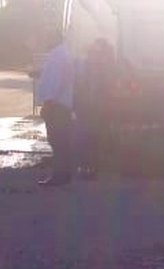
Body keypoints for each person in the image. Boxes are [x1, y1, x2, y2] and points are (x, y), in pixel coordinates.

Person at [35, 34, 76, 186]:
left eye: (48, 37)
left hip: (57, 105)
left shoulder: (57, 56)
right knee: (62, 141)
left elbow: (55, 82)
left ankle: (59, 175)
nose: (45, 40)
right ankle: (65, 174)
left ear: (55, 39)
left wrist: (48, 103)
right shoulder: (63, 53)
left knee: (57, 141)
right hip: (62, 104)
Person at [73, 38, 115, 180]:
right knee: (83, 138)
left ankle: (93, 168)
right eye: (93, 52)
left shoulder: (107, 70)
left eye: (98, 53)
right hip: (84, 109)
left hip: (99, 110)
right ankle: (84, 167)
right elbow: (77, 86)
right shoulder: (83, 67)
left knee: (95, 139)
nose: (95, 56)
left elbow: (108, 91)